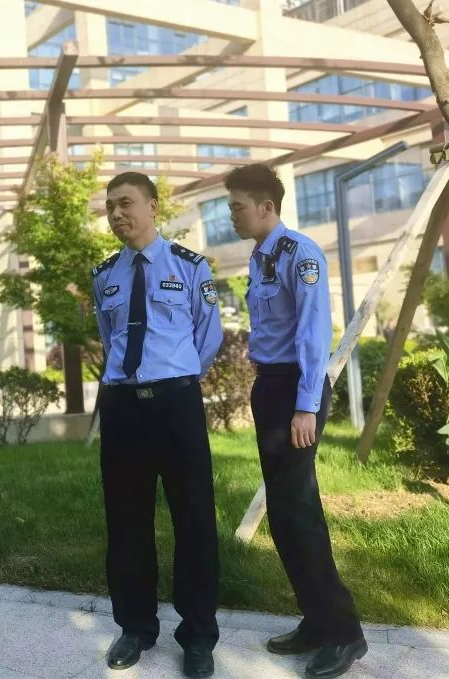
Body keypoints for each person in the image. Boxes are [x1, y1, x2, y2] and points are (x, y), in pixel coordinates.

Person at [226, 163, 366, 678]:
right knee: (284, 514)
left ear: (267, 207)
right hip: (271, 386)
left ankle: (345, 634)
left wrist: (306, 406)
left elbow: (312, 333)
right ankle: (316, 620)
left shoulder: (299, 254)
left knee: (299, 510)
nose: (232, 215)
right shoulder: (261, 255)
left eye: (238, 207)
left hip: (295, 390)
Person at [91, 171, 223, 679]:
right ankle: (136, 626)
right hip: (123, 408)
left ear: (152, 206)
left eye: (125, 203)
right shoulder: (105, 275)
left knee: (194, 520)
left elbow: (207, 338)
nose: (116, 213)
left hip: (176, 405)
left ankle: (198, 635)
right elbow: (110, 338)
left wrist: (174, 378)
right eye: (110, 206)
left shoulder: (190, 266)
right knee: (126, 521)